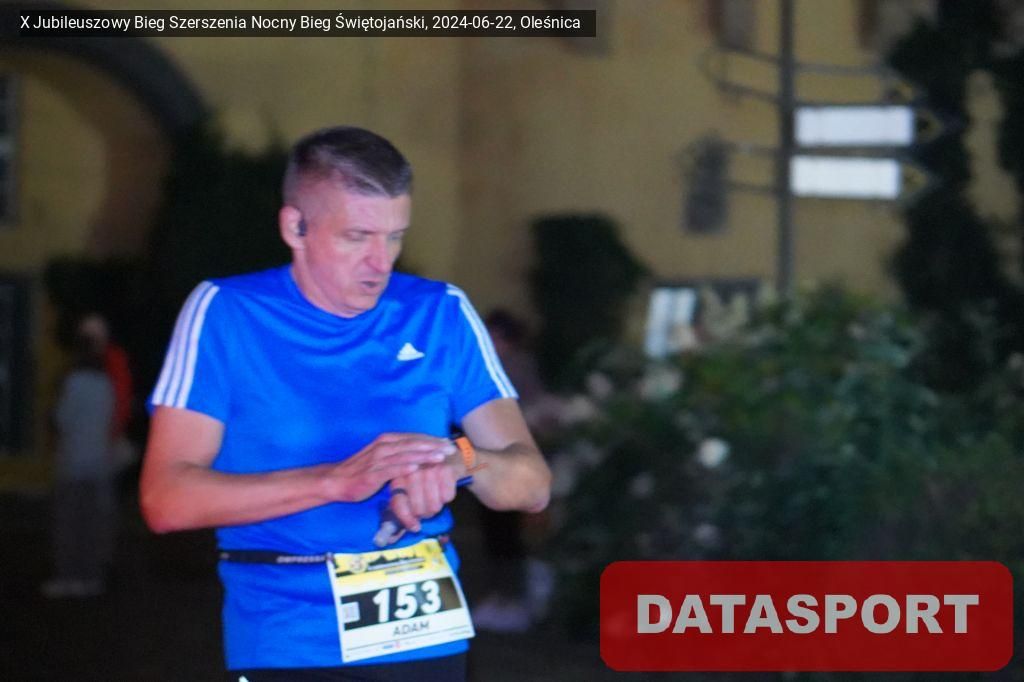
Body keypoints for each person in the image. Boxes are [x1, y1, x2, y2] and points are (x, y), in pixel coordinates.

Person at [139, 126, 551, 681]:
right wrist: (334, 482)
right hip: (291, 639)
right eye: (357, 237)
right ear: (295, 227)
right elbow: (165, 500)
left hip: (427, 632)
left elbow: (532, 483)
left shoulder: (441, 311)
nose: (381, 262)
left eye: (395, 237)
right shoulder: (226, 312)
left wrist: (461, 460)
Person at [42, 327, 116, 598]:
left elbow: (63, 420)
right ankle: (91, 577)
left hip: (73, 461)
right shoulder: (105, 383)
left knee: (69, 524)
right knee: (92, 525)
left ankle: (68, 577)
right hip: (99, 462)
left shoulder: (73, 382)